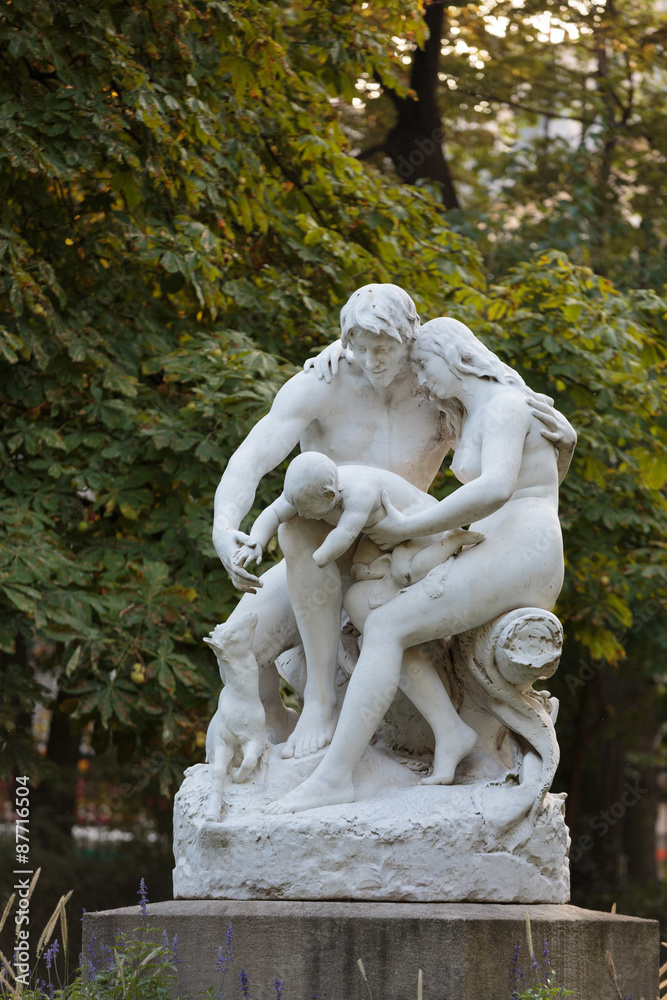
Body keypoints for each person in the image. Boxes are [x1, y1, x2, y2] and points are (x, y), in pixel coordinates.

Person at [212, 284, 576, 759]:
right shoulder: (323, 381)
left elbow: (505, 437)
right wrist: (224, 528)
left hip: (400, 543)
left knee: (357, 595)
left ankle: (349, 724)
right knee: (241, 642)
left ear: (411, 338)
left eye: (383, 348)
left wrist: (560, 439)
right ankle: (305, 712)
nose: (371, 360)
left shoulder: (439, 386)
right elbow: (250, 459)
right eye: (359, 348)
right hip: (321, 556)